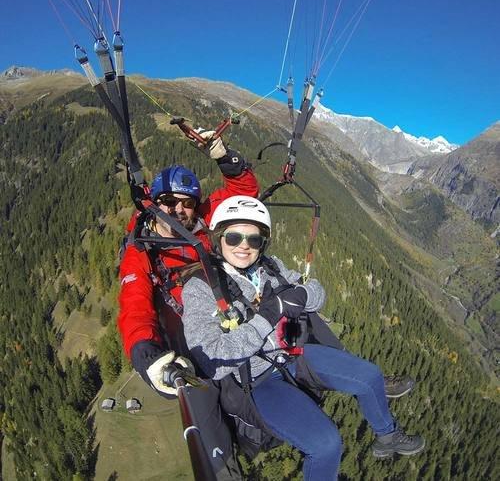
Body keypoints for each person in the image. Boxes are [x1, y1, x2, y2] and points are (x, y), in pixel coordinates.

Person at [181, 196, 425, 480]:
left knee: (369, 376)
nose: (244, 246)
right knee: (325, 445)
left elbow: (317, 292)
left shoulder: (270, 267)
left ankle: (388, 436)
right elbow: (212, 359)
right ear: (218, 238)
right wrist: (267, 317)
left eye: (254, 239)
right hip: (257, 381)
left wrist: (303, 295)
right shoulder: (200, 287)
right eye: (234, 237)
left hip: (293, 356)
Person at [118, 131, 259, 397]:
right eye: (169, 202)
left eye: (187, 203)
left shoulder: (202, 222)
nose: (178, 210)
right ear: (155, 204)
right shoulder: (142, 248)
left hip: (224, 319)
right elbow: (134, 304)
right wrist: (146, 353)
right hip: (187, 339)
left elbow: (245, 194)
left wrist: (225, 157)